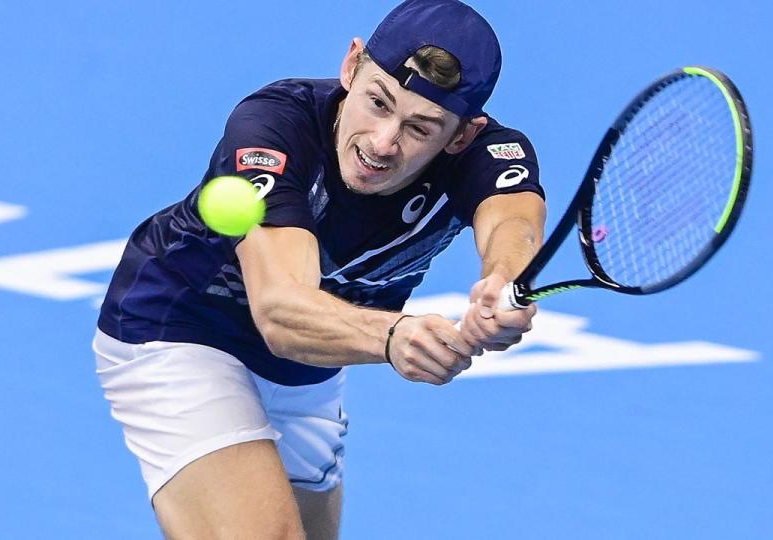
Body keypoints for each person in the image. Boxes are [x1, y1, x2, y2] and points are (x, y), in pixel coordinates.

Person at [93, 0, 546, 538]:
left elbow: (511, 223)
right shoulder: (273, 127)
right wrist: (393, 335)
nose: (383, 143)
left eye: (419, 128)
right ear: (351, 65)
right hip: (181, 327)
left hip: (310, 369)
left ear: (461, 136)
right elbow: (281, 311)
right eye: (378, 103)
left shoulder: (490, 154)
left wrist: (504, 282)